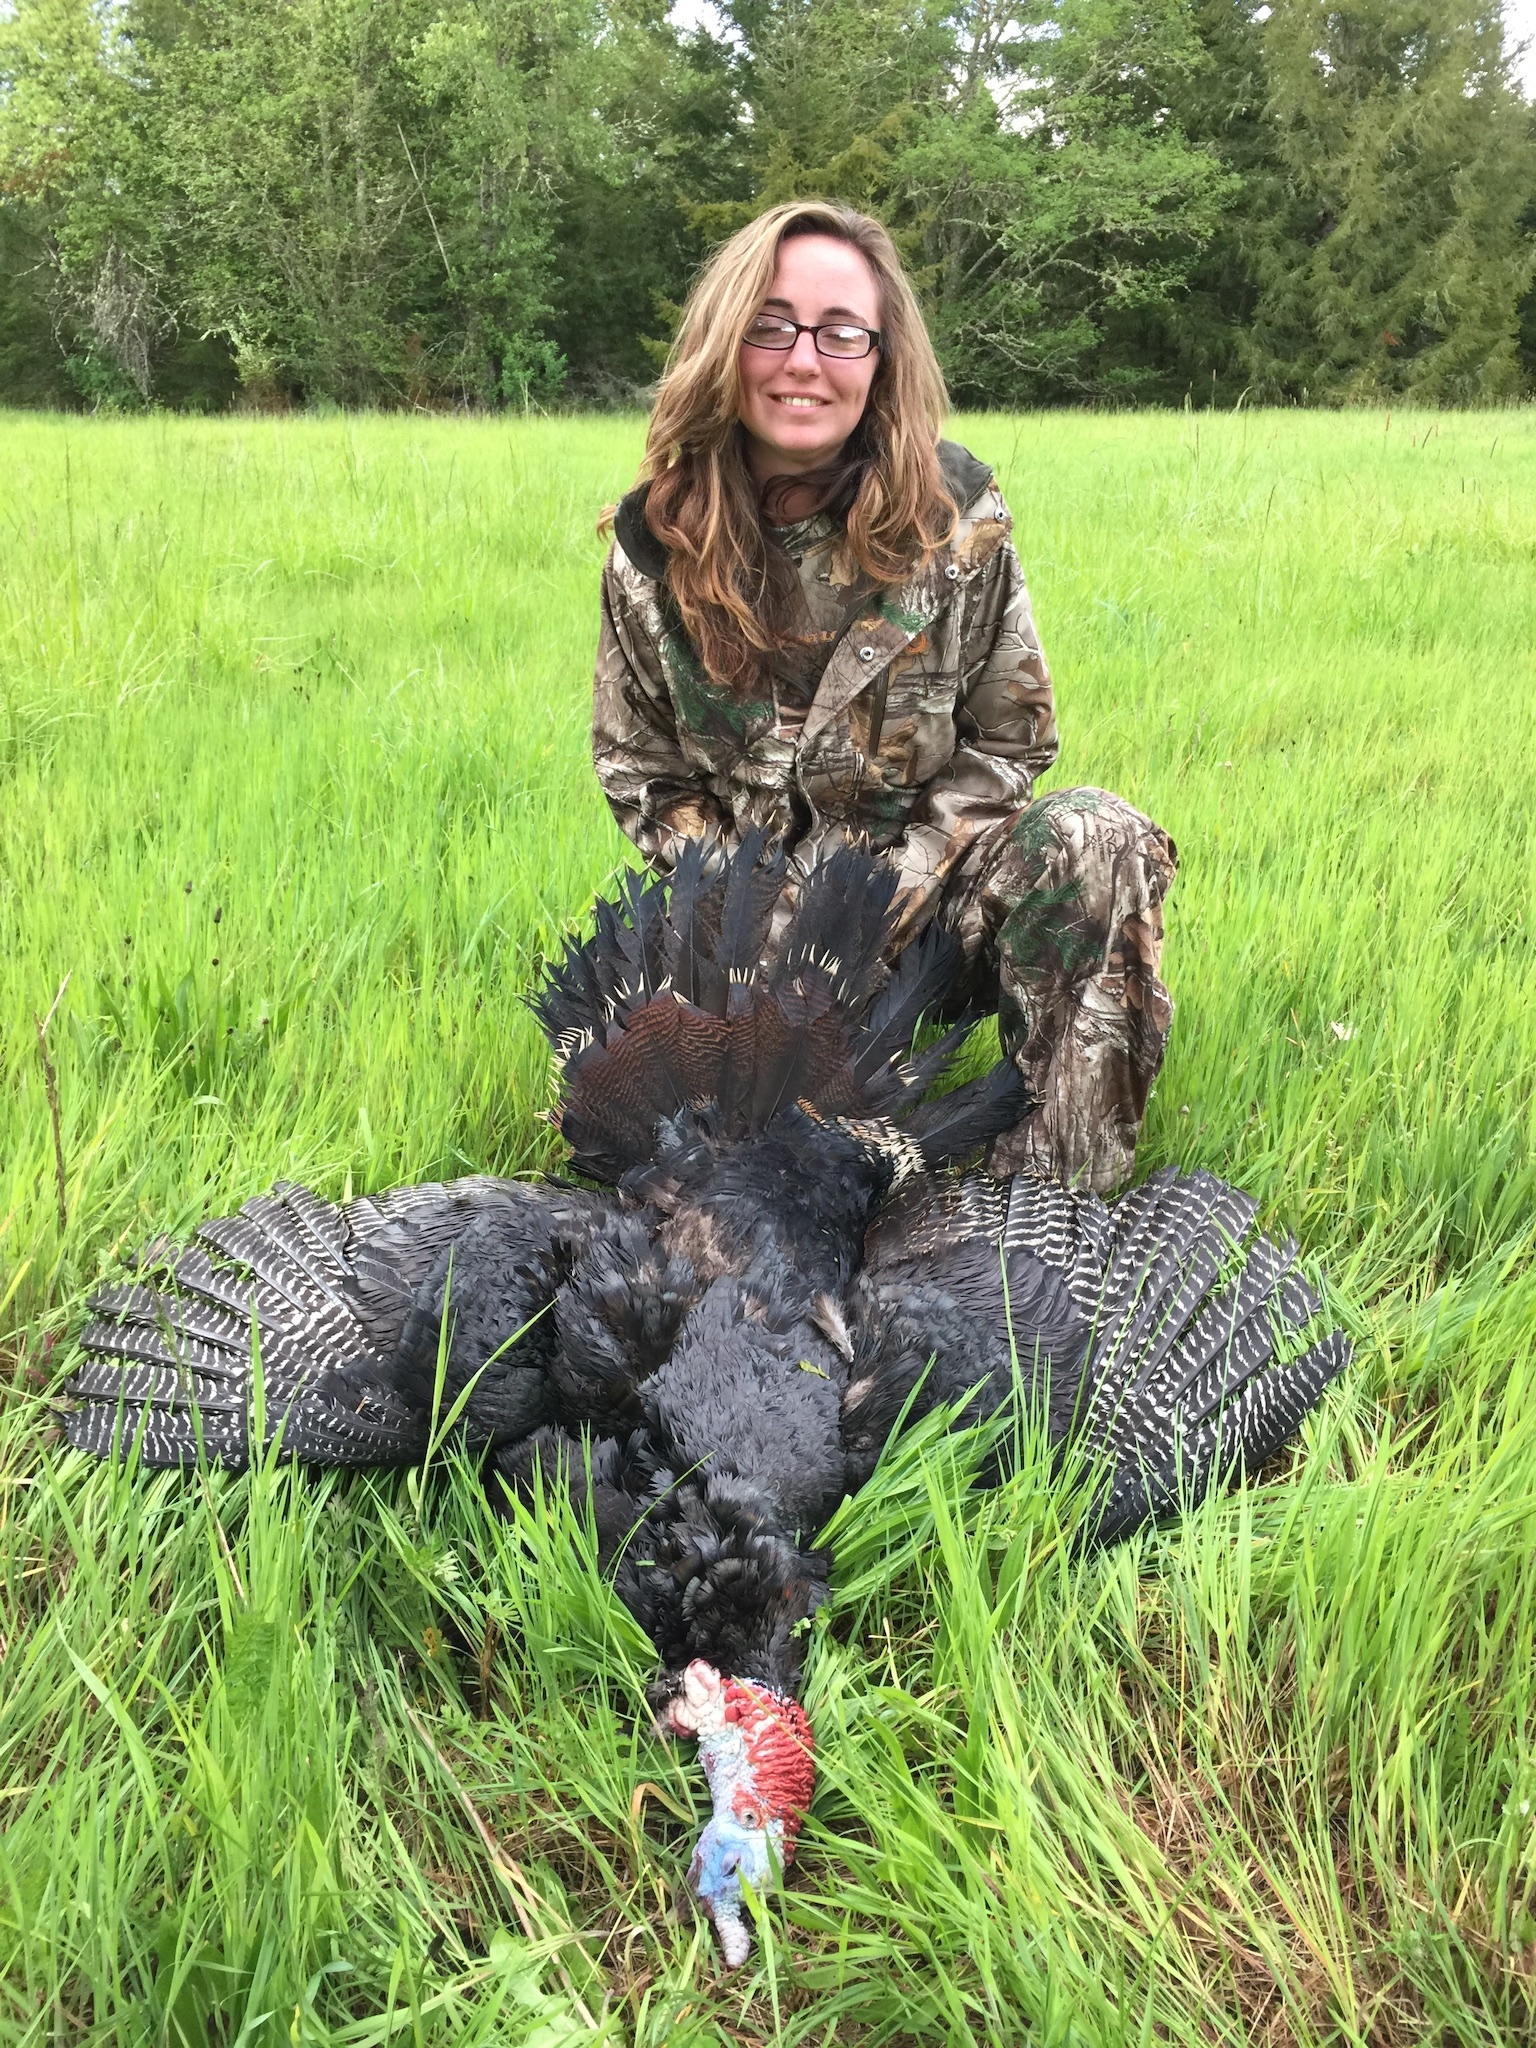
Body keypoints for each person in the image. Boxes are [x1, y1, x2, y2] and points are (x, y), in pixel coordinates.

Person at [591, 200, 1176, 1194]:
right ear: (724, 345)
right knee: (671, 1163)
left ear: (882, 352)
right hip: (752, 935)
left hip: (934, 907)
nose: (803, 360)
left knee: (1097, 838)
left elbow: (1010, 740)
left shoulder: (958, 524)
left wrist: (891, 895)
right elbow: (641, 769)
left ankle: (1051, 1212)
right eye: (769, 325)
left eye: (840, 331)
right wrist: (766, 920)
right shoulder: (658, 547)